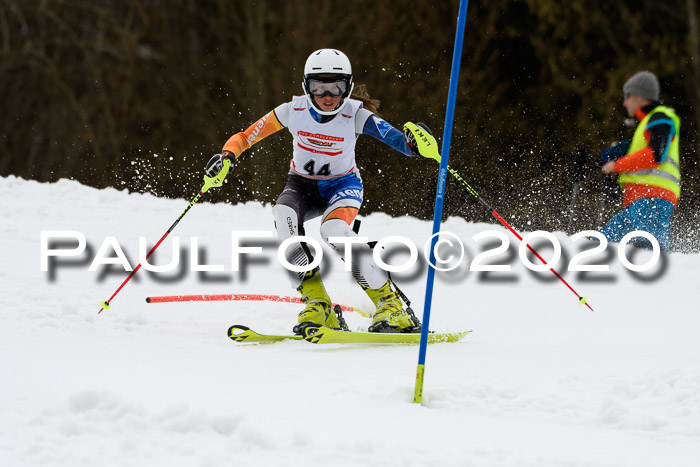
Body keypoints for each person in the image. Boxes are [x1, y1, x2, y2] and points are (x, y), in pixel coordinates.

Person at [204, 49, 439, 334]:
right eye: (319, 87)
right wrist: (228, 156)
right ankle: (318, 304)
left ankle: (391, 305)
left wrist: (416, 144)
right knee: (283, 216)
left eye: (336, 87)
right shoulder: (292, 110)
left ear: (347, 87)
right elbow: (244, 137)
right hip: (301, 185)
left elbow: (401, 143)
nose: (328, 96)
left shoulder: (356, 115)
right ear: (307, 86)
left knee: (334, 231)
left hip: (343, 185)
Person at [599, 71, 680, 252]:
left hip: (652, 199)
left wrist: (617, 165)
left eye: (627, 97)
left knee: (652, 253)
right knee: (601, 245)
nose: (625, 102)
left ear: (638, 96)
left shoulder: (660, 118)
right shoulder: (646, 124)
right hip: (637, 203)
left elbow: (655, 154)